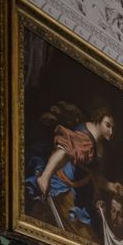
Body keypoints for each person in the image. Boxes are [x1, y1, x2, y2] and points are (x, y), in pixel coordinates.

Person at [27, 100, 114, 236]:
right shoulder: (86, 140)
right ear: (98, 119)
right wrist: (45, 177)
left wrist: (111, 186)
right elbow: (64, 151)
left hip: (75, 193)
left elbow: (92, 174)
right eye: (108, 125)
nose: (111, 131)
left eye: (112, 128)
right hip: (62, 187)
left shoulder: (96, 144)